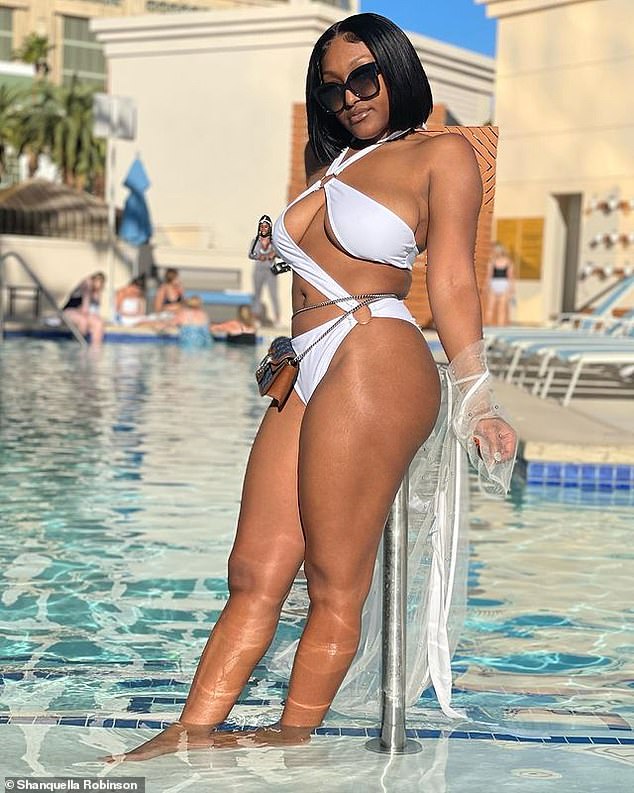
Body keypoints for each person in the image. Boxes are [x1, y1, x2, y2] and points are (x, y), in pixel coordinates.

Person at [107, 13, 517, 762]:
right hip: (306, 357)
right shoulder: (334, 164)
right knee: (252, 571)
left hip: (375, 351)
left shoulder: (442, 152)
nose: (349, 98)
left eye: (363, 77)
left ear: (396, 68)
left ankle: (291, 739)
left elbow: (454, 279)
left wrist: (477, 393)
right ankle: (189, 731)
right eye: (332, 89)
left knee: (334, 578)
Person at [249, 215, 281, 327]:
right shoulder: (255, 241)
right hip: (259, 270)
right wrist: (259, 256)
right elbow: (251, 254)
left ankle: (277, 319)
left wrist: (274, 254)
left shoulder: (274, 241)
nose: (263, 229)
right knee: (257, 294)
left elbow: (280, 254)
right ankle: (256, 318)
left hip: (270, 269)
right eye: (261, 227)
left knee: (274, 294)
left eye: (265, 227)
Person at [62, 271, 105, 345]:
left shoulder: (96, 291)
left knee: (99, 323)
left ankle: (96, 347)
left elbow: (94, 310)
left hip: (82, 313)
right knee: (82, 321)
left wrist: (97, 293)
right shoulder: (87, 283)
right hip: (69, 311)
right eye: (98, 281)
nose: (99, 284)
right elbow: (85, 308)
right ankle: (77, 345)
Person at [485, 242, 515, 326]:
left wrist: (512, 287)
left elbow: (510, 276)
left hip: (502, 284)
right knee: (491, 306)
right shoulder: (493, 262)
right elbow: (489, 275)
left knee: (501, 307)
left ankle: (500, 325)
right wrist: (487, 286)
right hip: (496, 283)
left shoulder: (507, 262)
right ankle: (489, 324)